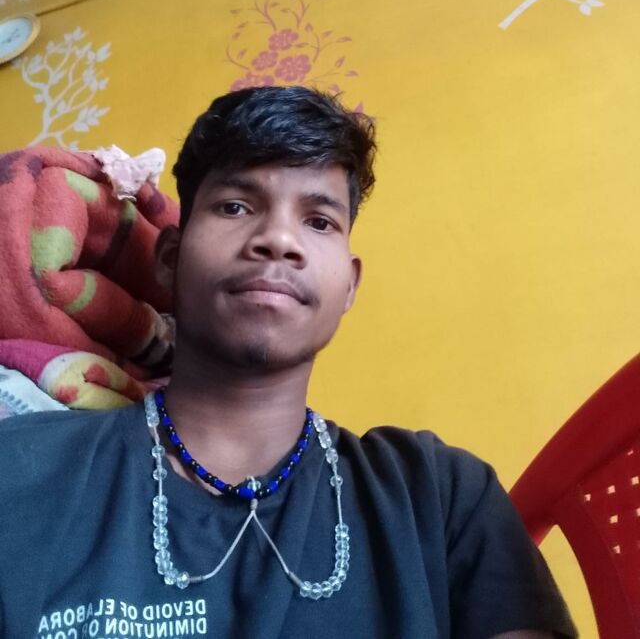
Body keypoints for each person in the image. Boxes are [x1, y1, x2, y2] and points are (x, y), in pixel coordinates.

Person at [0, 86, 576, 639]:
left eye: (319, 221)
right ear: (170, 259)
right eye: (235, 206)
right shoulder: (22, 471)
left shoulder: (441, 497)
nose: (278, 239)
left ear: (349, 286)